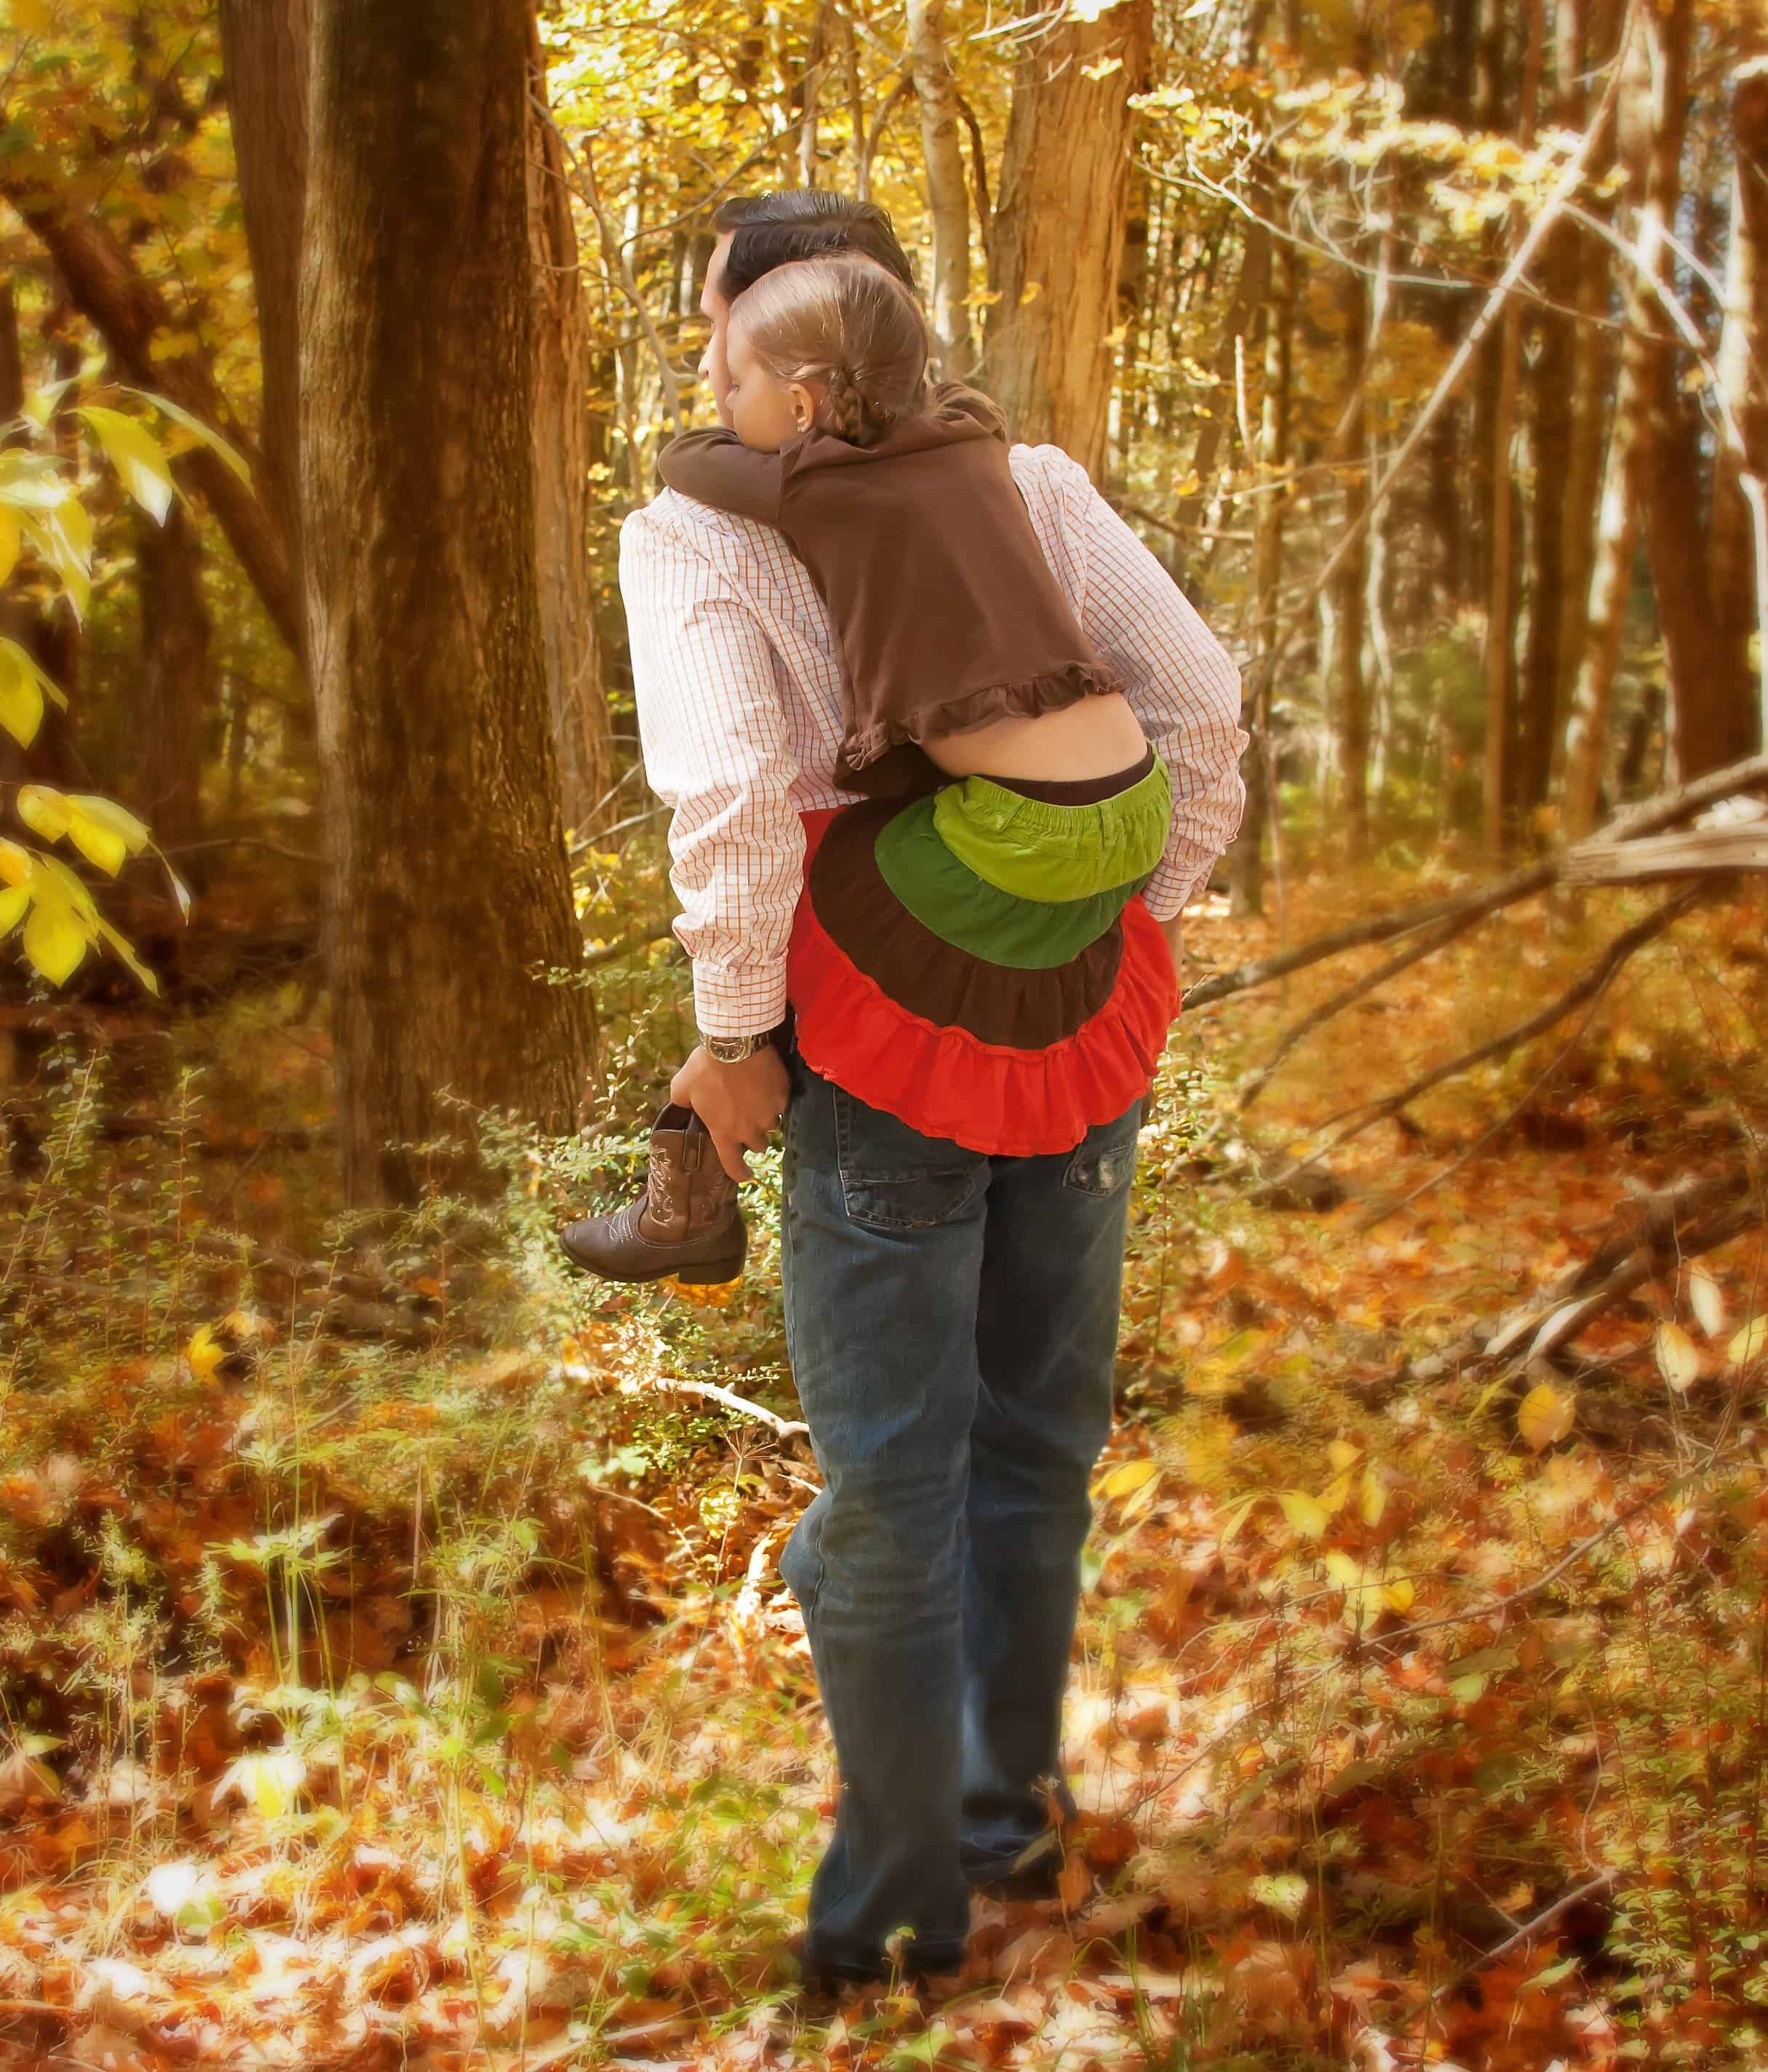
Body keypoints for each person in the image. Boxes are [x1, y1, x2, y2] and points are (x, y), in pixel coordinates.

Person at [618, 190, 1246, 1992]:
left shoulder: (695, 532)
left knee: (894, 1483)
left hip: (880, 1041)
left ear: (792, 356)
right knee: (1035, 1445)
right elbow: (1201, 709)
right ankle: (1006, 1827)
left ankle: (896, 1914)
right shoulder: (1028, 482)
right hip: (1080, 1023)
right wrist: (1114, 925)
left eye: (721, 324)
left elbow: (732, 798)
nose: (709, 357)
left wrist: (739, 1034)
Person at [564, 252, 1176, 1287]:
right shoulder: (977, 447)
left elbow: (698, 469)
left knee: (825, 867)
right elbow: (1199, 699)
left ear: (803, 403)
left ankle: (694, 1185)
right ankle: (692, 1189)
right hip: (1132, 800)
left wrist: (735, 1034)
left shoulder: (813, 488)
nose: (718, 401)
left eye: (732, 380)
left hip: (1022, 833)